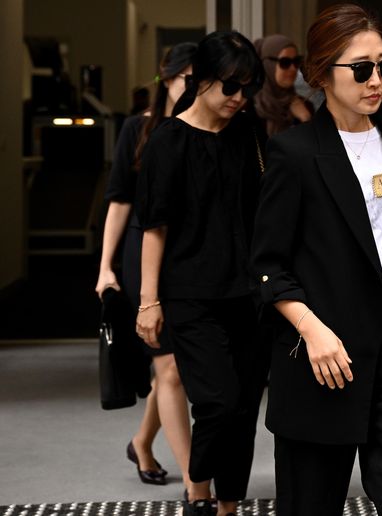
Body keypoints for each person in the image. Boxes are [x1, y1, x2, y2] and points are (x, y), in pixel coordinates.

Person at [251, 5, 382, 516]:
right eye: (362, 69)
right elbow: (266, 265)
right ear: (322, 74)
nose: (377, 81)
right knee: (310, 505)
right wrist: (312, 329)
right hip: (327, 359)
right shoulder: (295, 154)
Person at [134, 31, 267, 516]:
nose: (239, 98)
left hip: (248, 295)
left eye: (247, 88)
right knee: (219, 403)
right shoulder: (168, 141)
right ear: (201, 80)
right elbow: (154, 227)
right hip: (191, 297)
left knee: (246, 408)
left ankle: (227, 505)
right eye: (230, 87)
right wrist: (149, 302)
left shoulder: (249, 133)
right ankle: (197, 489)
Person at [95, 42, 196, 491]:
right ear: (166, 79)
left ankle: (141, 441)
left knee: (178, 367)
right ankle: (199, 479)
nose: (194, 89)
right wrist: (105, 267)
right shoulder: (138, 128)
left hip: (192, 255)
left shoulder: (209, 129)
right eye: (187, 79)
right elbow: (119, 199)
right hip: (143, 254)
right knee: (170, 367)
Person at [252, 34, 312, 136]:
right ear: (268, 65)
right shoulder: (250, 107)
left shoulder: (305, 106)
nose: (293, 69)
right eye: (285, 62)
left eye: (296, 62)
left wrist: (306, 119)